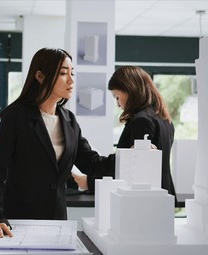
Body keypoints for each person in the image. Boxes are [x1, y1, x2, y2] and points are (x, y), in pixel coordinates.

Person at [0, 48, 115, 238]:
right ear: (40, 76)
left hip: (57, 221)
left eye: (72, 73)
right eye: (62, 73)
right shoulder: (16, 116)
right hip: (18, 220)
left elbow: (91, 163)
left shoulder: (69, 121)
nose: (71, 80)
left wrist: (130, 156)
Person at [72, 66, 175, 197]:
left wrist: (89, 182)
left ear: (130, 90)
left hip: (145, 199)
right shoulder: (164, 119)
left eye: (116, 97)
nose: (118, 104)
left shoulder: (142, 121)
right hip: (162, 194)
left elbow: (133, 170)